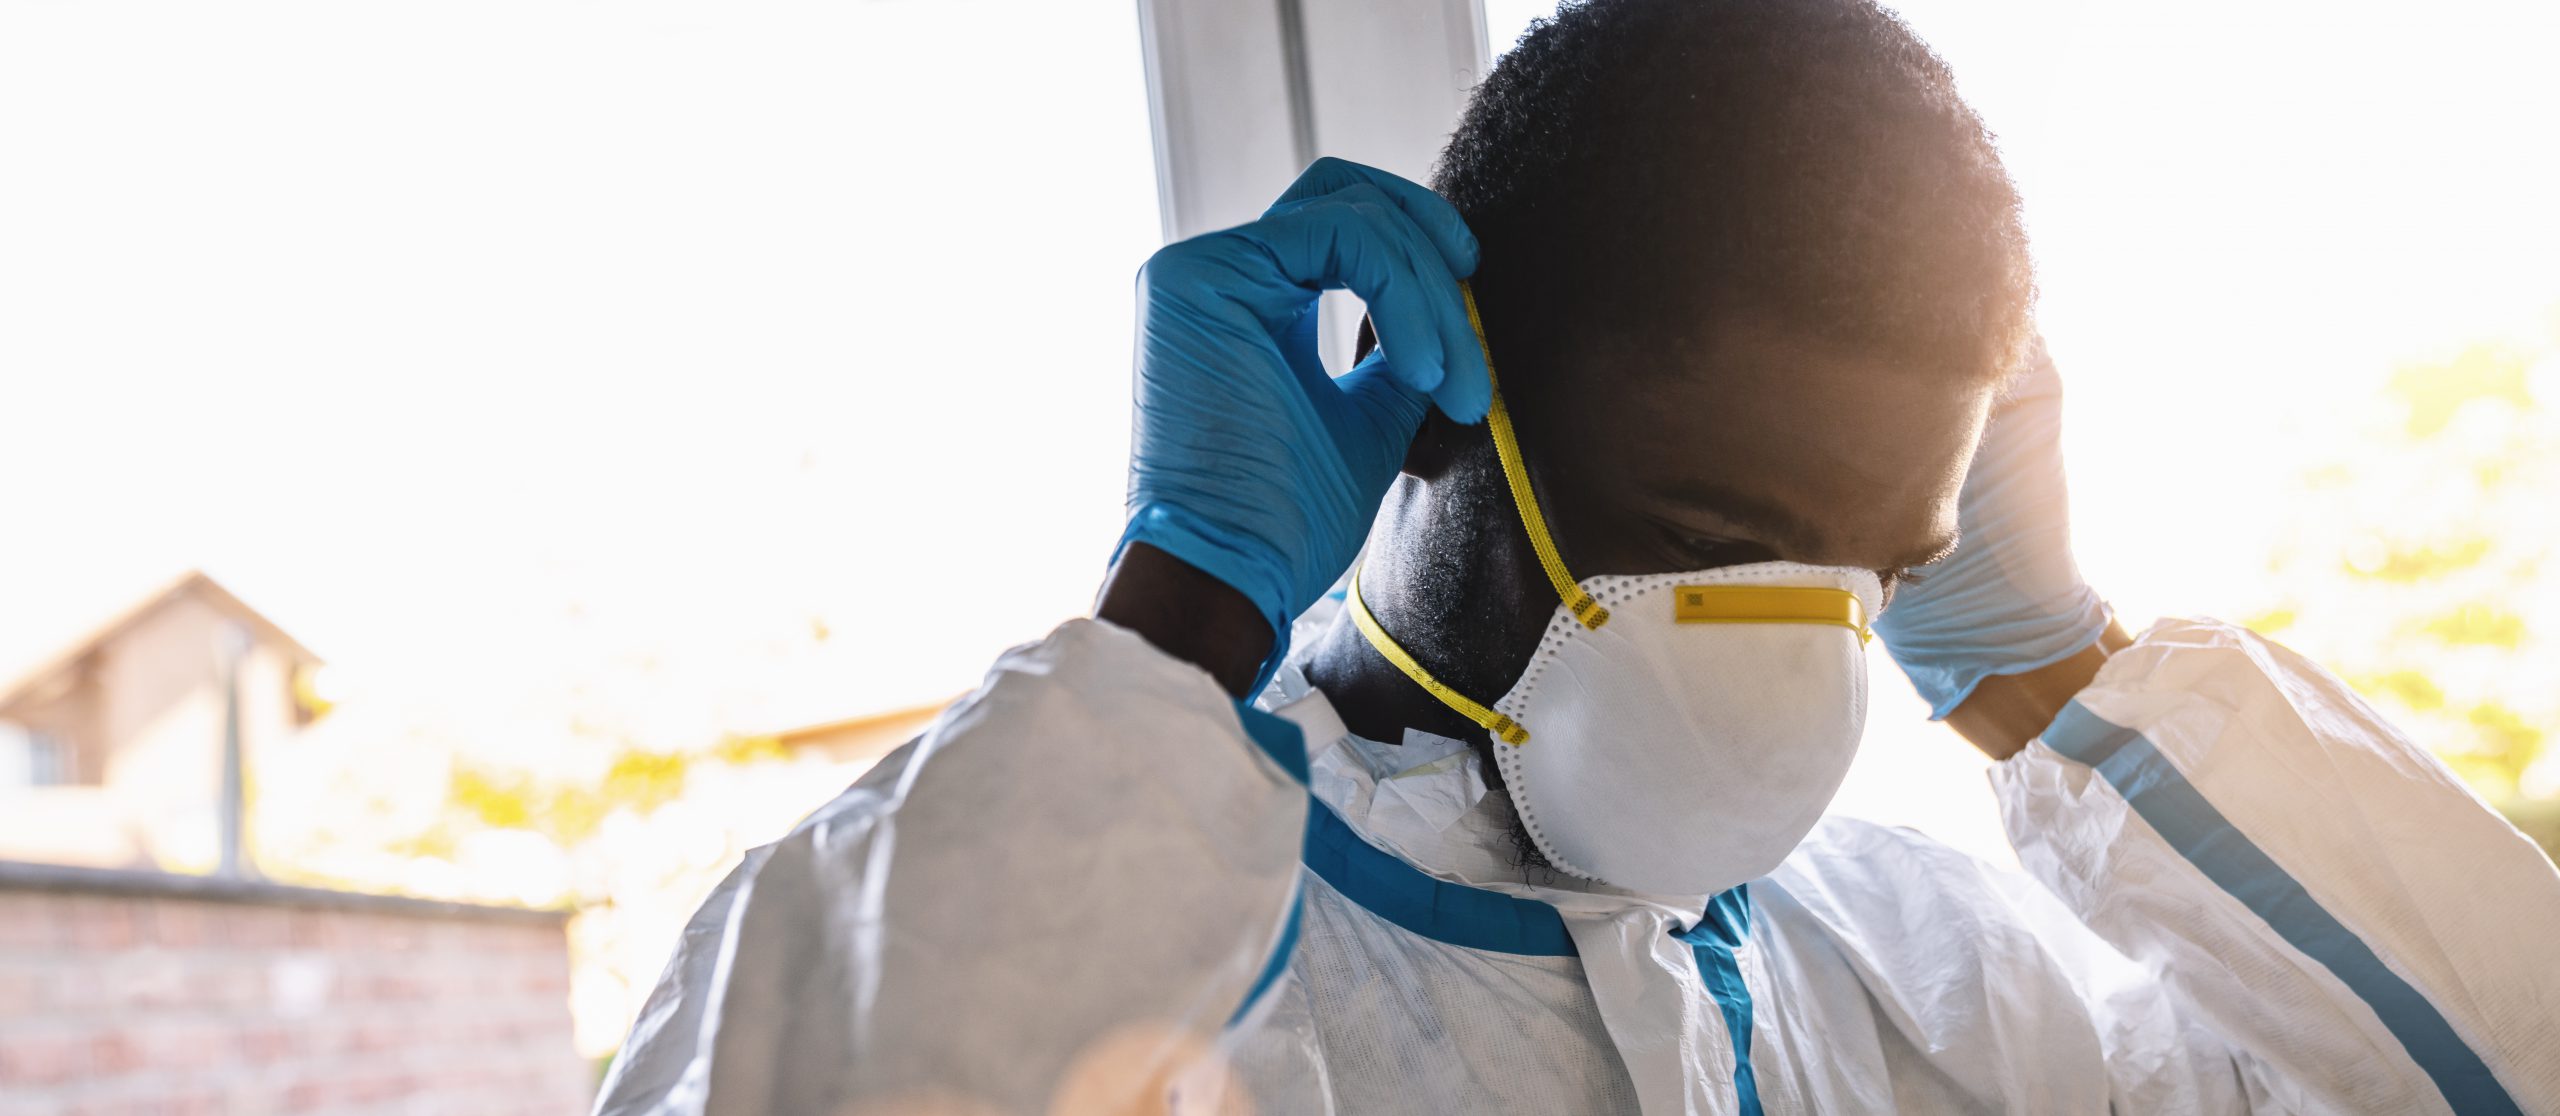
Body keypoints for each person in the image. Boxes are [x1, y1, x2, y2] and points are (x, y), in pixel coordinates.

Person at [594, 1, 2560, 1113]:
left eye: (1875, 569)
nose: (1794, 650)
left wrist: (2052, 676)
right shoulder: (1116, 949)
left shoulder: (1942, 983)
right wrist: (1178, 613)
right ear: (1453, 405)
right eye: (1711, 543)